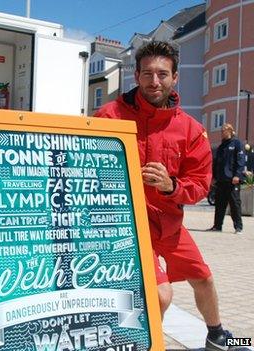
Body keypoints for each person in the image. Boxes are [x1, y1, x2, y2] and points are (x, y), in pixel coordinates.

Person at [94, 41, 235, 350]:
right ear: (136, 75)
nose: (154, 82)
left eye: (162, 74)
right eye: (147, 74)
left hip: (169, 223)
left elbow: (199, 184)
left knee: (204, 278)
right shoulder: (109, 116)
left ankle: (218, 335)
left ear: (175, 77)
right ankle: (138, 344)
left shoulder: (190, 129)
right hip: (128, 227)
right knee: (160, 295)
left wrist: (172, 186)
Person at [208, 123, 245, 234]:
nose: (222, 132)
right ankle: (217, 226)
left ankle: (238, 227)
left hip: (232, 180)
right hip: (221, 179)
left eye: (224, 130)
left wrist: (237, 175)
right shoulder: (221, 146)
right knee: (219, 204)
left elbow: (240, 160)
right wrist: (213, 177)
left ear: (230, 131)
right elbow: (217, 163)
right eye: (221, 130)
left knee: (234, 204)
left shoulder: (237, 143)